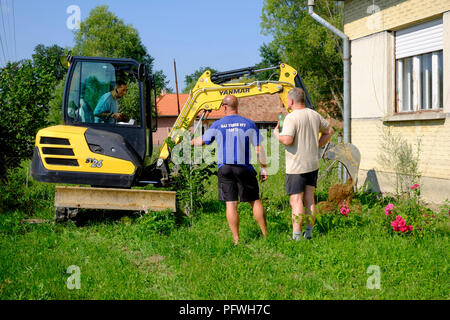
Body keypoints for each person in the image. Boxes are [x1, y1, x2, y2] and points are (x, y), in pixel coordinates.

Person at [190, 95, 268, 245]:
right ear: (236, 106)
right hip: (243, 167)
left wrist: (188, 142)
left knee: (231, 204)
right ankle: (265, 235)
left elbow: (202, 141)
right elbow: (259, 149)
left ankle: (236, 240)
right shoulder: (248, 123)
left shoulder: (218, 124)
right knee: (254, 201)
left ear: (225, 107)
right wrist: (263, 168)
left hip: (224, 168)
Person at [274, 87, 334, 240]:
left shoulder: (291, 117)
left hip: (296, 166)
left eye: (287, 99)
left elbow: (287, 140)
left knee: (296, 200)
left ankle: (296, 236)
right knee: (309, 199)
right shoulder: (314, 115)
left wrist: (277, 135)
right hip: (312, 164)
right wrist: (318, 145)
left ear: (291, 101)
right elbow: (330, 131)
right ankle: (309, 234)